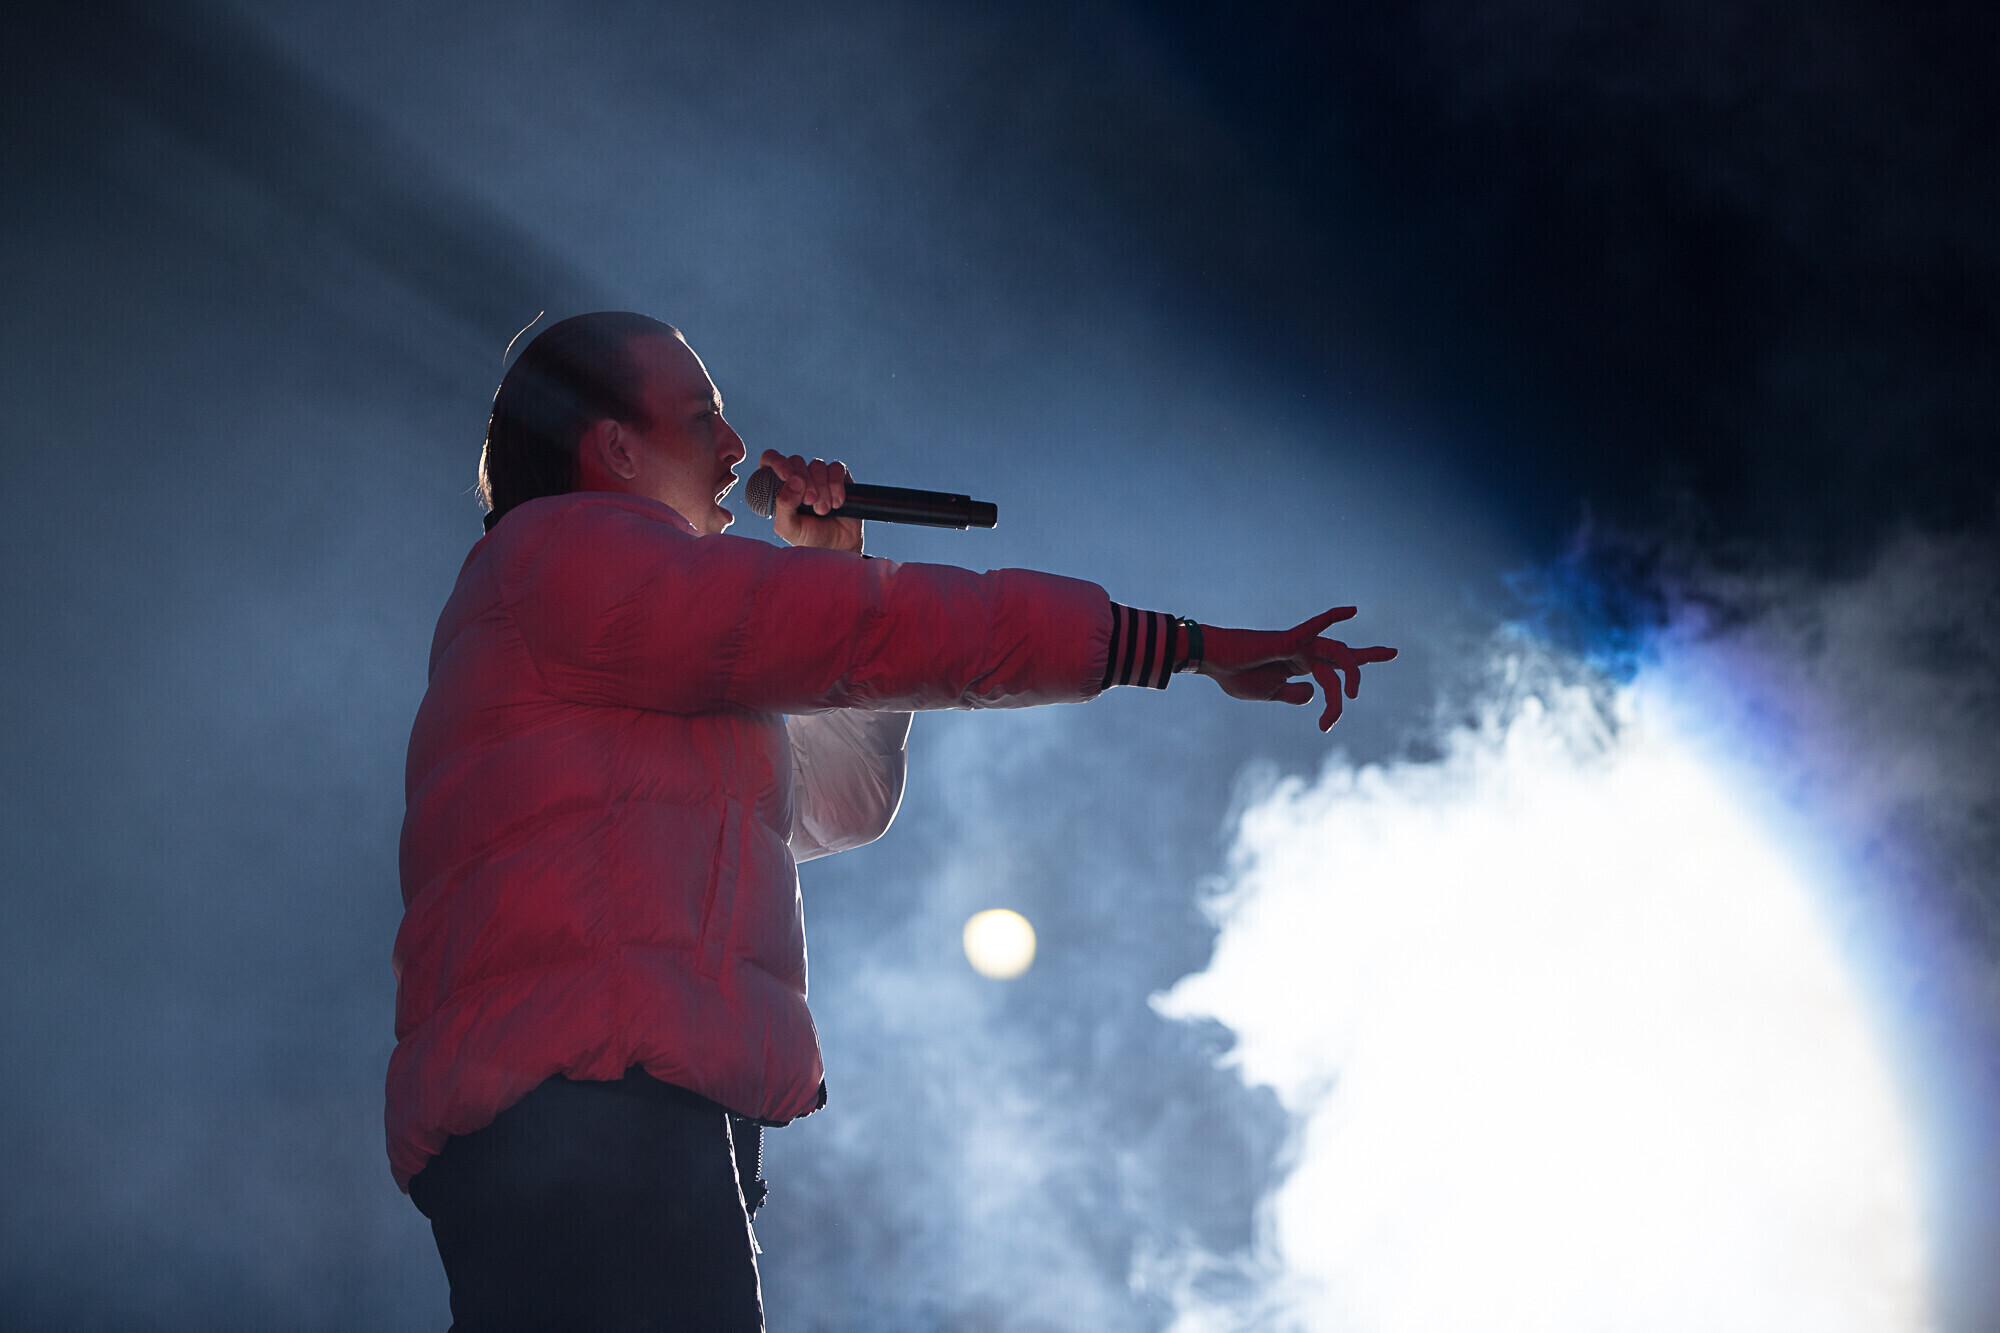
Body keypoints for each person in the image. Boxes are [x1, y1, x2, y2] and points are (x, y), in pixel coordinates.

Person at [388, 311, 1396, 1331]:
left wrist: (831, 568)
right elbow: (883, 629)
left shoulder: (608, 627)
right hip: (592, 1108)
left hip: (602, 1109)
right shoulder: (568, 555)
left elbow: (836, 800)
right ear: (613, 447)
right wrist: (1180, 644)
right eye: (701, 418)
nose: (736, 447)